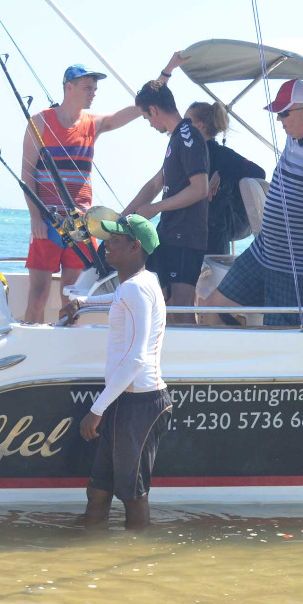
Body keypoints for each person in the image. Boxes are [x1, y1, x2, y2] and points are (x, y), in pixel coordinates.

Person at [202, 79, 303, 326]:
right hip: (265, 251)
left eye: (284, 114)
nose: (280, 121)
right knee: (210, 311)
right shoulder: (298, 132)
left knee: (285, 342)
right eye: (278, 115)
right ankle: (239, 363)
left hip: (300, 271)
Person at [19, 64, 142, 323]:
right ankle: (32, 344)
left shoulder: (93, 124)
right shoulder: (39, 123)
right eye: (88, 88)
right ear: (69, 88)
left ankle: (66, 345)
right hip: (47, 221)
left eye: (95, 89)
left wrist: (163, 78)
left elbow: (133, 111)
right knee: (38, 295)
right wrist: (35, 218)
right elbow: (27, 175)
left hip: (81, 225)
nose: (93, 93)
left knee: (73, 298)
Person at [74, 214, 171, 530]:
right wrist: (83, 303)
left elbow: (137, 359)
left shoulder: (136, 290)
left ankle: (133, 565)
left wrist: (96, 410)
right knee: (99, 488)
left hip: (141, 402)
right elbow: (116, 298)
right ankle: (88, 545)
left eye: (114, 242)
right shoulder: (141, 282)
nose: (106, 247)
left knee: (133, 494)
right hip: (125, 399)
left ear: (134, 246)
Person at [122, 70, 209, 323]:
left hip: (186, 237)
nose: (149, 124)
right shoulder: (175, 140)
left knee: (180, 310)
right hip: (170, 235)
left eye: (145, 117)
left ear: (153, 110)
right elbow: (155, 183)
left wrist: (155, 208)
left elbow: (200, 188)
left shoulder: (188, 136)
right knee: (165, 308)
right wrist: (123, 216)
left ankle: (190, 360)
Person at [186, 100, 266, 256]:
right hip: (194, 230)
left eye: (186, 122)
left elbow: (259, 172)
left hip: (215, 230)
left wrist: (221, 174)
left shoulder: (221, 154)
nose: (182, 128)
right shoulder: (190, 154)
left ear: (200, 126)